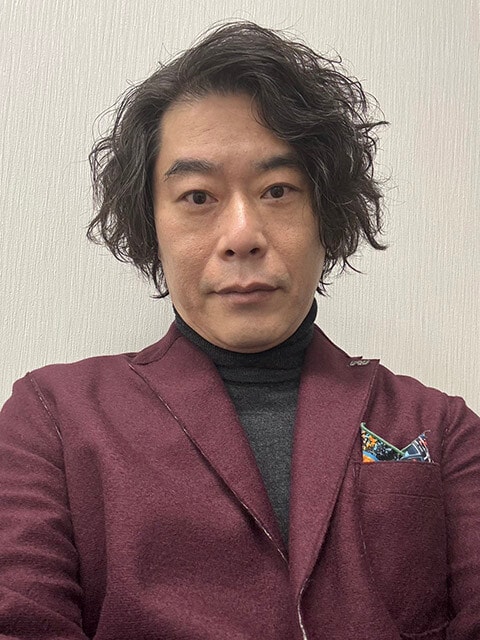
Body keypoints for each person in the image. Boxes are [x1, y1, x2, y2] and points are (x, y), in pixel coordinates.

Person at [0, 21, 478, 640]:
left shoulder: (441, 427)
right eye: (198, 197)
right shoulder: (52, 419)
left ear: (327, 213)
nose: (243, 235)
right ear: (151, 225)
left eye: (278, 190)